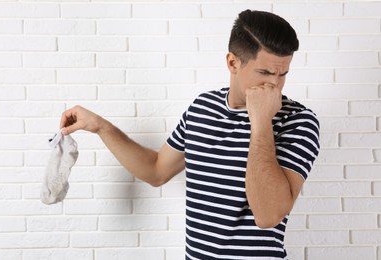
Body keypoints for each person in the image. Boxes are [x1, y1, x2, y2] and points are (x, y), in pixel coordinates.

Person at [60, 10, 320, 260]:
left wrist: (261, 122)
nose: (274, 84)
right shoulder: (201, 109)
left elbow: (267, 215)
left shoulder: (298, 122)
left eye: (283, 74)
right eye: (264, 73)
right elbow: (156, 171)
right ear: (233, 62)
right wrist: (100, 126)